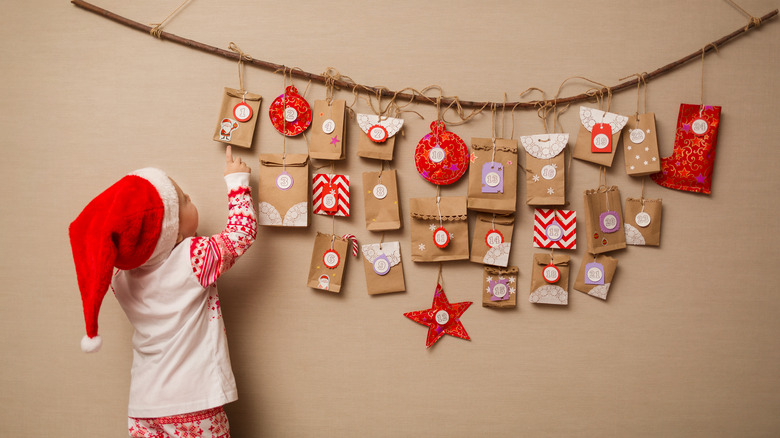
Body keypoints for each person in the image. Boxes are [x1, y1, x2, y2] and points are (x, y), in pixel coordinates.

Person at [69, 146, 257, 438]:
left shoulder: (121, 281)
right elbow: (241, 233)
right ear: (175, 233)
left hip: (143, 408)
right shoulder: (193, 259)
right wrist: (237, 182)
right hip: (194, 403)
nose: (190, 198)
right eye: (183, 201)